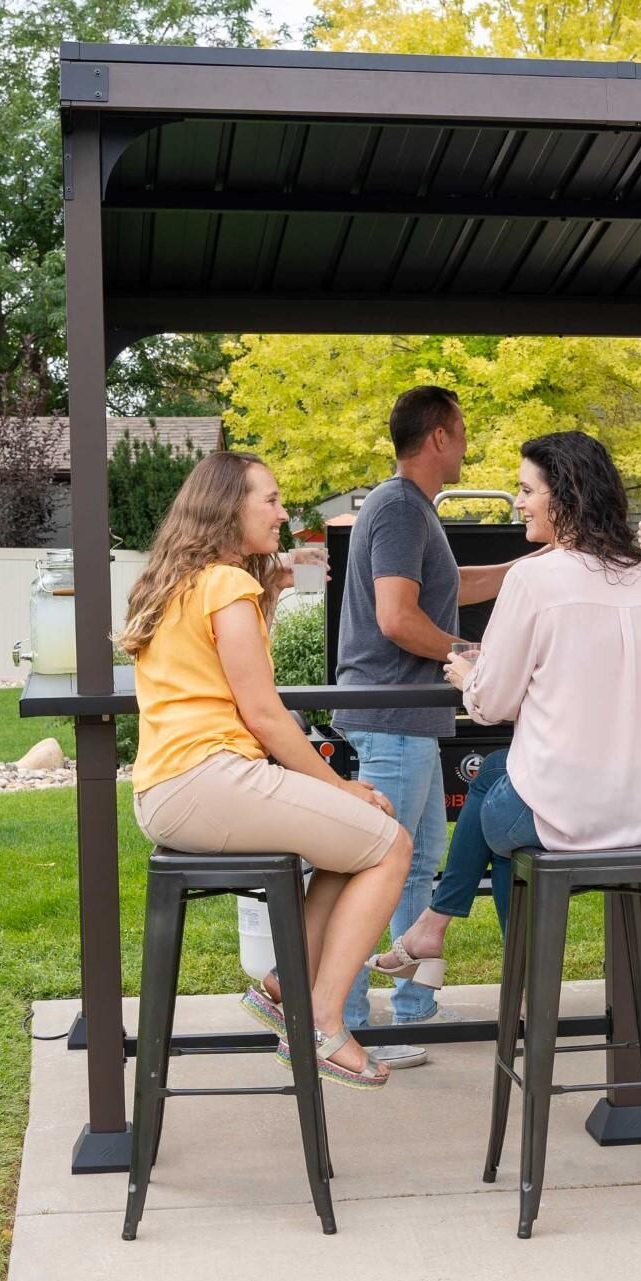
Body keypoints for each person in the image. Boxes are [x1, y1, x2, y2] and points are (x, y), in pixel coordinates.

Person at [121, 450, 413, 1089]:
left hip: (171, 788)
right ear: (230, 507)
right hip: (209, 778)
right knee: (391, 844)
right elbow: (264, 714)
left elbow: (229, 677)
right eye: (272, 500)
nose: (283, 514)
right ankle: (324, 1024)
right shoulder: (226, 585)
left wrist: (272, 589)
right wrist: (340, 786)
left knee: (351, 846)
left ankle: (285, 984)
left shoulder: (183, 580)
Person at [367, 430, 641, 979]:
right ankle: (467, 951)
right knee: (499, 779)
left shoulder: (533, 577)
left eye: (527, 490)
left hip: (567, 811)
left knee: (498, 804)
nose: (518, 502)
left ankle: (467, 947)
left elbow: (490, 705)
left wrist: (467, 675)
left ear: (566, 496)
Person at [333, 386, 526, 1065]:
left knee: (415, 869)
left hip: (408, 720)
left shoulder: (413, 510)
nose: (467, 444)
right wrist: (469, 655)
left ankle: (411, 1013)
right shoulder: (398, 508)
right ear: (439, 436)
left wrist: (525, 570)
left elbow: (452, 585)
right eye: (462, 431)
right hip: (389, 716)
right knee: (378, 870)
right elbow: (396, 618)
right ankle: (349, 1022)